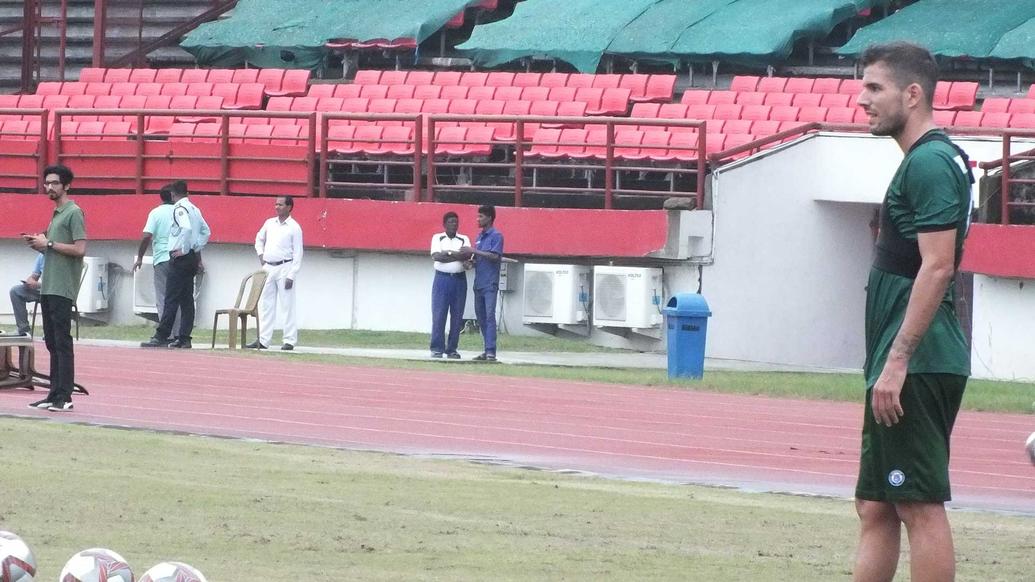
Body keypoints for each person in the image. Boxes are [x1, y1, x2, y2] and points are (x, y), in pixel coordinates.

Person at [853, 42, 973, 582]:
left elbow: (938, 267)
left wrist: (897, 360)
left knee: (917, 504)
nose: (862, 100)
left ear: (913, 93)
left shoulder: (928, 162)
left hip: (918, 360)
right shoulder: (927, 160)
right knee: (878, 504)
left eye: (874, 88)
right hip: (903, 356)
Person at [23, 164, 86, 412]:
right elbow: (54, 248)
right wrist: (39, 244)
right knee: (51, 341)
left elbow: (80, 249)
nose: (50, 187)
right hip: (49, 285)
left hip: (62, 286)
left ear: (66, 185)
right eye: (47, 183)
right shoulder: (56, 213)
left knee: (62, 342)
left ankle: (65, 395)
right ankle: (53, 394)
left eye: (55, 183)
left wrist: (48, 242)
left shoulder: (74, 212)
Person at [141, 180, 210, 349]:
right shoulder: (195, 208)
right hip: (191, 258)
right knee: (187, 299)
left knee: (170, 297)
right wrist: (195, 247)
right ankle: (184, 337)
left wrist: (185, 249)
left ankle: (162, 334)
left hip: (180, 257)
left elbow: (185, 229)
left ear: (173, 194)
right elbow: (206, 231)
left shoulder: (179, 209)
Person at [247, 196, 303, 351]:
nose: (277, 207)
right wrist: (261, 256)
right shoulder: (269, 223)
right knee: (266, 304)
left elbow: (298, 253)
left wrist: (292, 274)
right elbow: (259, 239)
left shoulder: (294, 227)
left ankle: (289, 340)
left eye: (281, 204)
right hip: (268, 267)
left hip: (285, 266)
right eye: (276, 204)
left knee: (287, 305)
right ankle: (264, 339)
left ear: (289, 207)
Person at [132, 186, 179, 331]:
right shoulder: (181, 211)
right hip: (180, 257)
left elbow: (147, 235)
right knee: (178, 296)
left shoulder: (156, 213)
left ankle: (165, 332)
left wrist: (140, 256)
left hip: (162, 257)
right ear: (173, 196)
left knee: (163, 296)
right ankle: (178, 333)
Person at [461, 205, 503, 362]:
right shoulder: (479, 237)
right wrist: (470, 262)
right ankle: (486, 349)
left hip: (490, 283)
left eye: (481, 217)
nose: (477, 219)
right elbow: (480, 259)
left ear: (489, 218)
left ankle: (491, 351)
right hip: (478, 283)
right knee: (481, 318)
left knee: (490, 316)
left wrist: (474, 250)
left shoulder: (496, 235)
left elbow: (494, 257)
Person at [428, 211, 471, 359]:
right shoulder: (437, 238)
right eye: (451, 222)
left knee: (457, 316)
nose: (454, 225)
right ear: (444, 224)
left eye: (456, 222)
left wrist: (449, 254)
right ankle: (437, 348)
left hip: (459, 280)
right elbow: (436, 257)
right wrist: (456, 256)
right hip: (442, 279)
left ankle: (452, 349)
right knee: (439, 314)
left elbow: (467, 256)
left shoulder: (464, 239)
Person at [8, 254, 44, 336]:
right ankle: (23, 329)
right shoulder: (41, 256)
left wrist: (38, 285)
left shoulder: (57, 256)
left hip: (56, 290)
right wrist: (30, 282)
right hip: (41, 290)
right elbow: (33, 277)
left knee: (51, 293)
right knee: (15, 291)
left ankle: (51, 332)